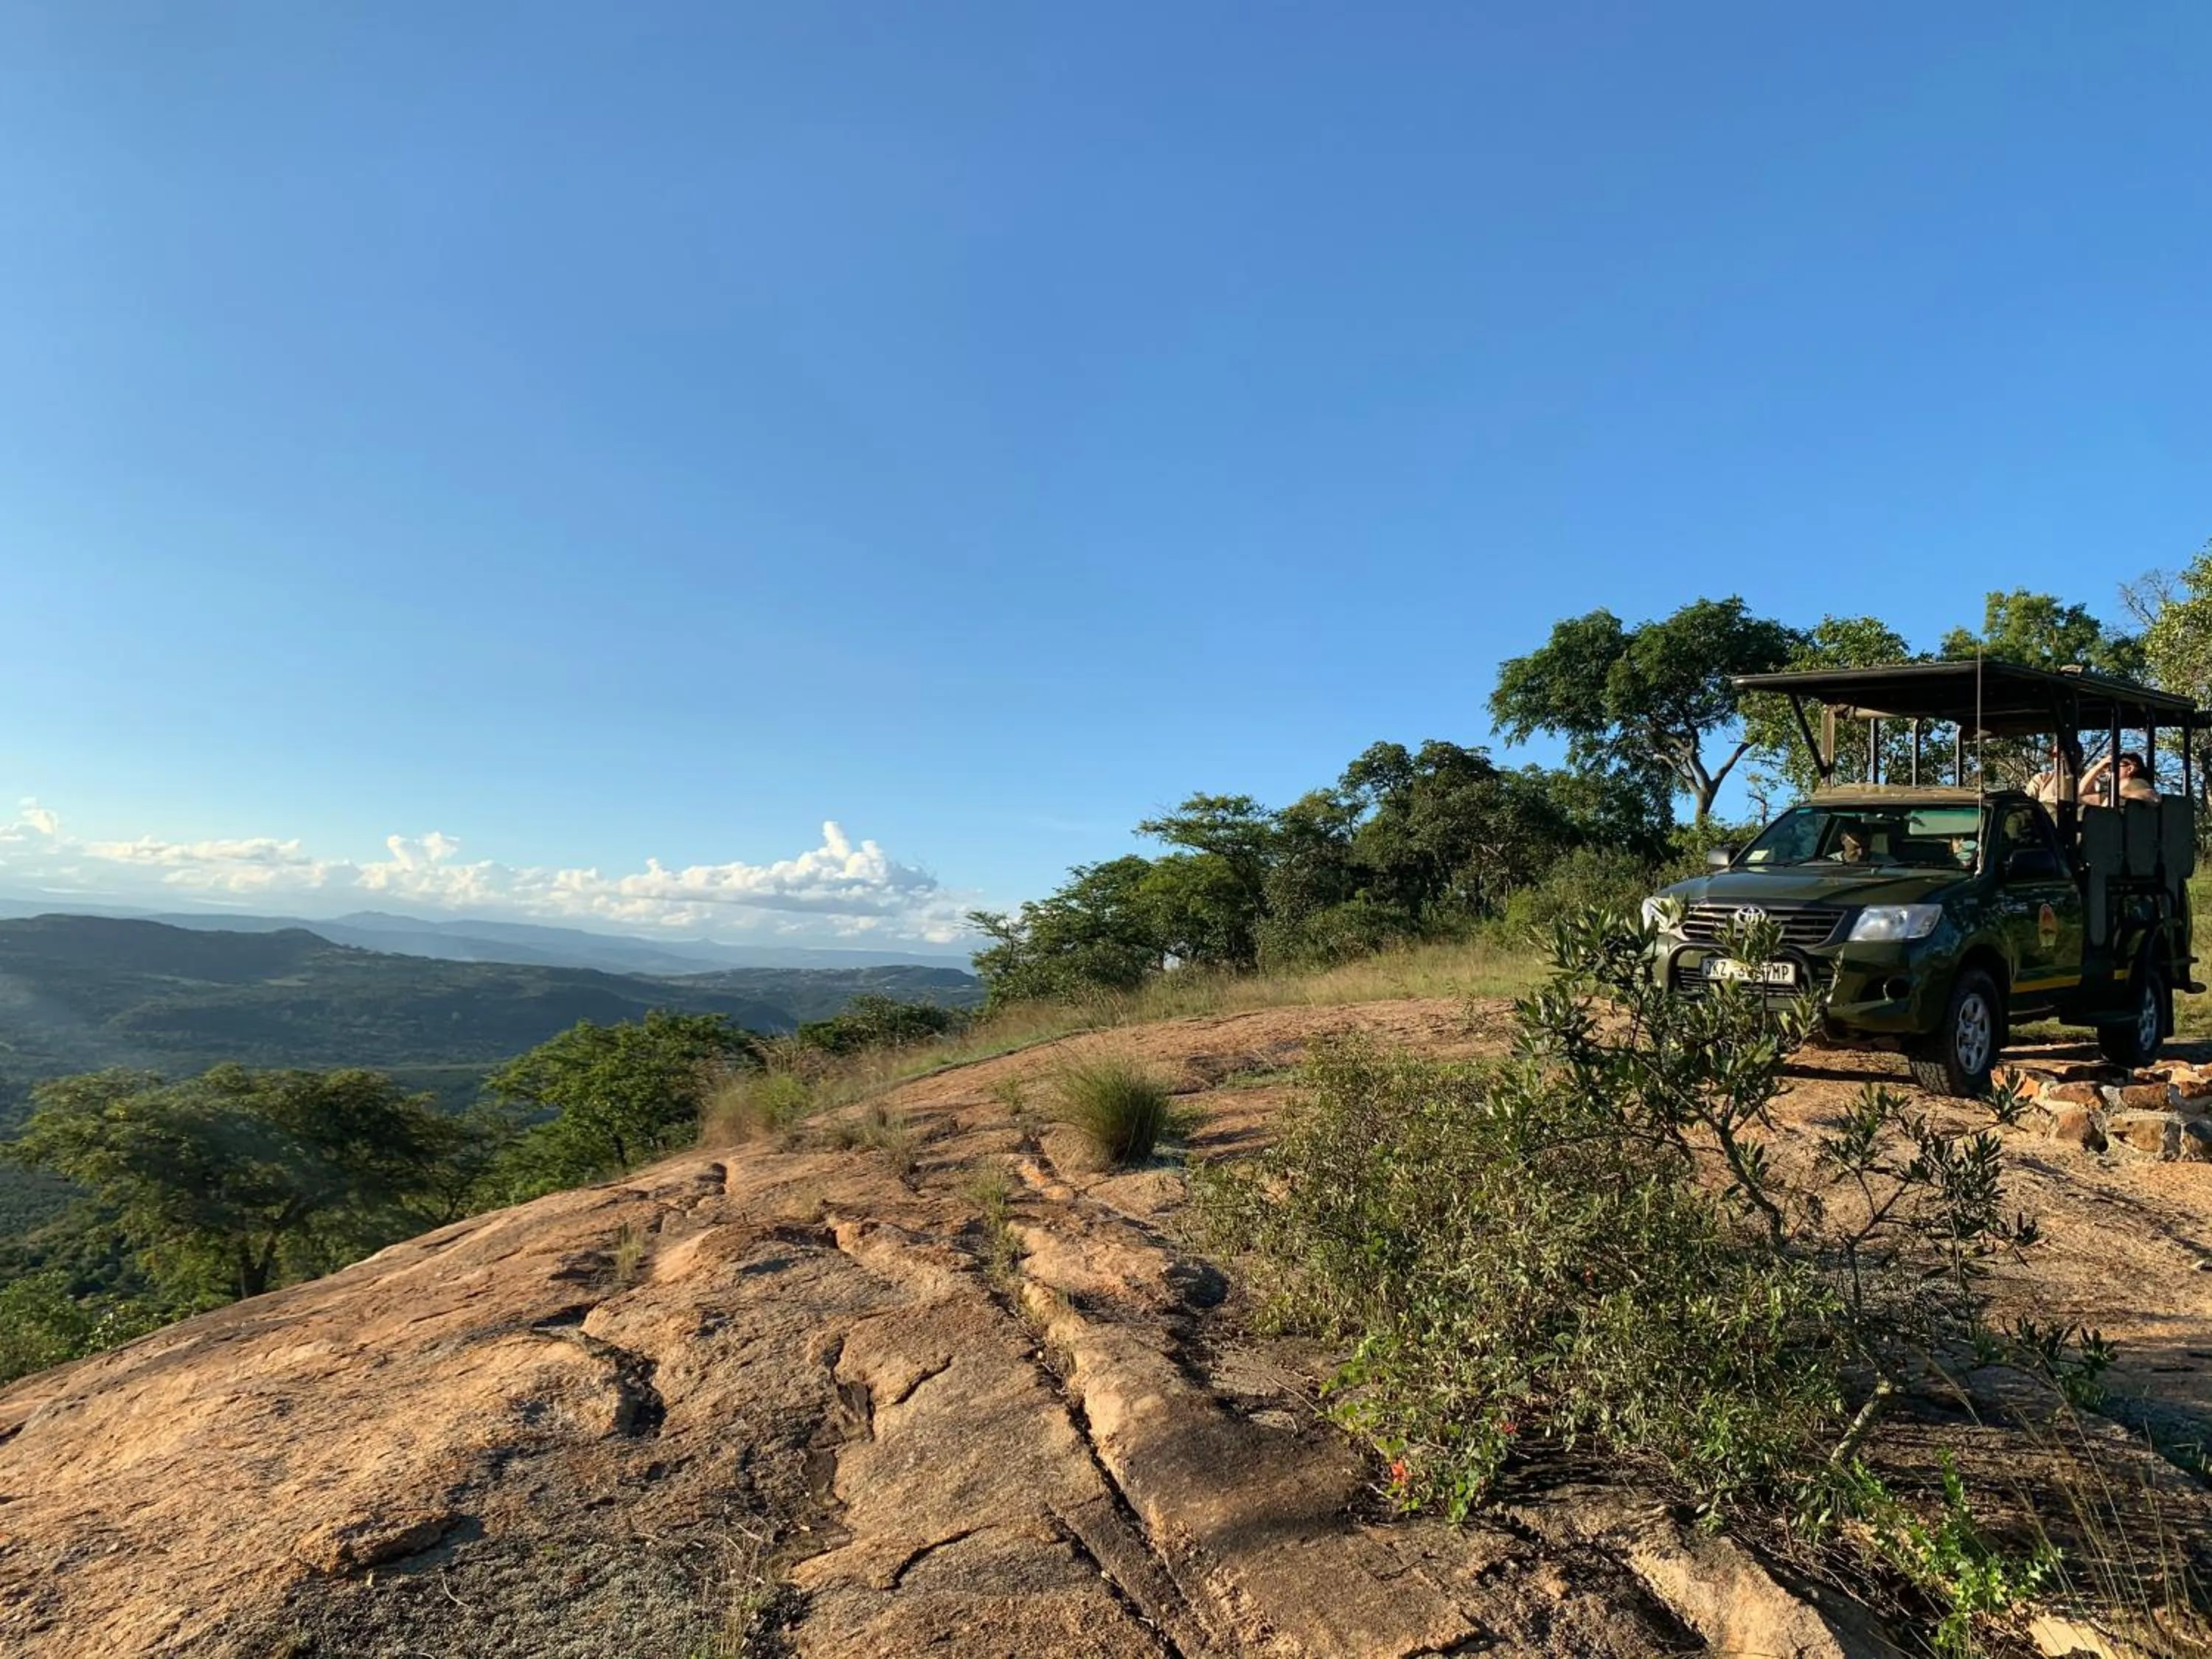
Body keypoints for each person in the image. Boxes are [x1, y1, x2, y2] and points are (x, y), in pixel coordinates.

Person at [2081, 750, 2158, 806]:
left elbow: (2153, 798)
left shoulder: (2137, 782)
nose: (2109, 770)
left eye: (2114, 766)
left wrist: (2119, 795)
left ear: (2130, 769)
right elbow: (2081, 795)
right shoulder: (2112, 794)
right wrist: (2098, 767)